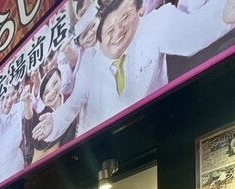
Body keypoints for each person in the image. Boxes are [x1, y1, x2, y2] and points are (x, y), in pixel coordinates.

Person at [33, 0, 235, 143]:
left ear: (139, 11)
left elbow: (191, 33)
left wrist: (222, 17)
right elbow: (73, 103)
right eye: (110, 31)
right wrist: (54, 122)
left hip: (156, 129)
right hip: (100, 147)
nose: (119, 32)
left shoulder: (153, 25)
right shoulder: (89, 64)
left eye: (125, 18)